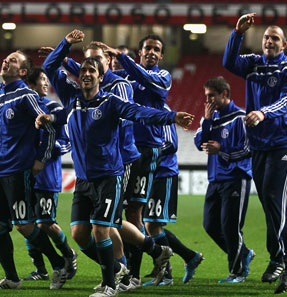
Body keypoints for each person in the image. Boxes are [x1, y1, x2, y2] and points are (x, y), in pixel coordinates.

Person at [37, 29, 193, 297]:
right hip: (84, 178)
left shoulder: (113, 97)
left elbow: (140, 112)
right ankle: (148, 254)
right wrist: (65, 46)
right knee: (79, 233)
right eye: (84, 68)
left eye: (93, 69)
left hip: (113, 172)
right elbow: (51, 70)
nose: (87, 73)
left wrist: (173, 117)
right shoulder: (73, 99)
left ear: (103, 73)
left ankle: (112, 281)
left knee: (105, 227)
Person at [223, 13, 287, 294]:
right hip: (259, 145)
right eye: (266, 37)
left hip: (285, 143)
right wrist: (237, 33)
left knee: (274, 198)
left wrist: (262, 112)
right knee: (272, 205)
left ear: (284, 44)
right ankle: (280, 260)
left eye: (275, 38)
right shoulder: (254, 64)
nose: (269, 41)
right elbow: (228, 62)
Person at [0, 50, 69, 290]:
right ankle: (12, 279)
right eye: (6, 57)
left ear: (22, 72)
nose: (6, 60)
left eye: (13, 60)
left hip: (19, 169)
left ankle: (59, 263)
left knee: (24, 225)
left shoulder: (27, 95)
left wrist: (41, 158)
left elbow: (49, 129)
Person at [104, 34, 174, 283]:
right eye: (148, 48)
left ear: (161, 55)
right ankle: (140, 267)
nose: (152, 52)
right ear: (140, 51)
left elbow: (146, 79)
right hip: (128, 151)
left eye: (157, 49)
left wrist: (123, 58)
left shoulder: (162, 77)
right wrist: (65, 60)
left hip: (148, 150)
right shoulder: (126, 77)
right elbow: (98, 76)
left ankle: (132, 276)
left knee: (134, 213)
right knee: (121, 214)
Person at [194, 76, 254, 284]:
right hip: (215, 179)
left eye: (212, 96)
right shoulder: (210, 118)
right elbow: (198, 143)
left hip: (236, 177)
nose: (208, 100)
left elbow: (248, 150)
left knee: (230, 227)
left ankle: (237, 272)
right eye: (206, 96)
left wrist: (222, 150)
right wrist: (207, 120)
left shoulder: (240, 117)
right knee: (210, 225)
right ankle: (243, 252)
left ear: (224, 94)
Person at [20, 66, 78, 282]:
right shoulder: (25, 107)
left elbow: (67, 142)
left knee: (45, 222)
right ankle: (41, 270)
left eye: (46, 79)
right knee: (27, 221)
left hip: (47, 175)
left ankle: (68, 254)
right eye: (42, 80)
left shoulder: (54, 108)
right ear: (30, 85)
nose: (46, 83)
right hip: (25, 174)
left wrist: (48, 152)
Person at [142, 103, 203, 286]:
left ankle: (167, 274)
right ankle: (189, 256)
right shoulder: (140, 108)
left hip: (163, 172)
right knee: (150, 225)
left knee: (152, 225)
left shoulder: (163, 110)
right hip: (149, 173)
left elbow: (171, 144)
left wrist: (147, 153)